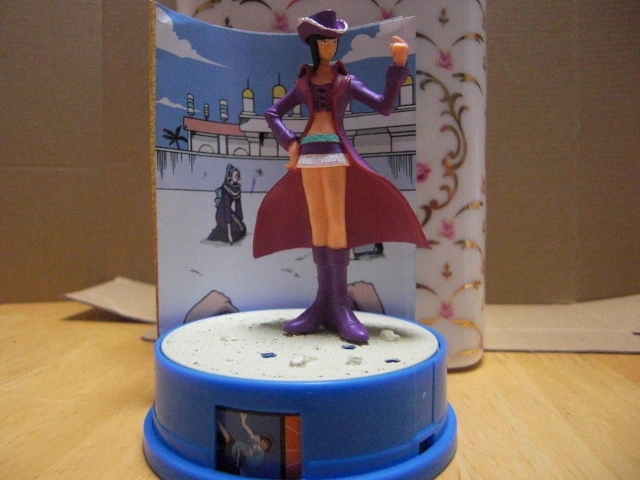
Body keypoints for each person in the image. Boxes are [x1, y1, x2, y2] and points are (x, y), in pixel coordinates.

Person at [253, 10, 428, 343]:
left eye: (334, 41)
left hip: (335, 154)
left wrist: (398, 66)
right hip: (309, 157)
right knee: (318, 224)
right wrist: (290, 142)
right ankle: (323, 301)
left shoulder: (346, 82)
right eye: (324, 41)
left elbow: (384, 106)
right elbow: (273, 113)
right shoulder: (303, 83)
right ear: (314, 45)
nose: (330, 46)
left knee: (336, 223)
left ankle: (339, 305)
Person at [208, 164, 246, 244]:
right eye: (235, 175)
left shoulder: (237, 188)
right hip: (222, 214)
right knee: (236, 234)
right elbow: (226, 209)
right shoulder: (226, 189)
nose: (237, 177)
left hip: (229, 213)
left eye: (237, 175)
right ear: (230, 176)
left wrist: (239, 219)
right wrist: (229, 235)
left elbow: (238, 205)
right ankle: (220, 231)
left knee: (242, 229)